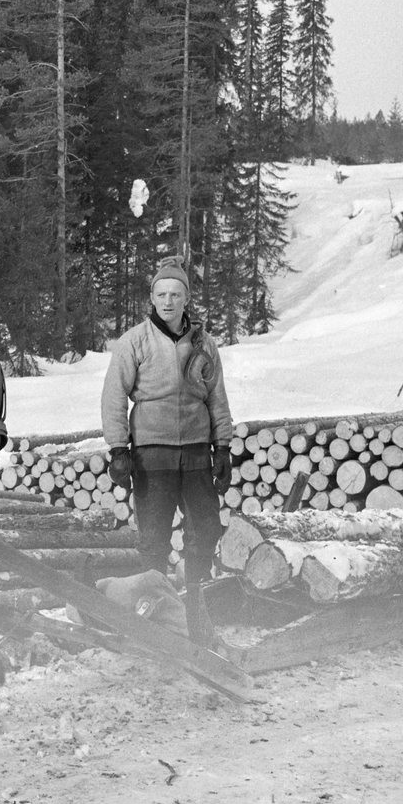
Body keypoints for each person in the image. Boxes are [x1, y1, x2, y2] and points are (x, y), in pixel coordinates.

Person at [100, 257, 234, 644]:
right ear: (152, 298)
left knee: (205, 529)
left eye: (176, 294)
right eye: (161, 294)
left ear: (187, 298)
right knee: (154, 539)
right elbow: (113, 397)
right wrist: (118, 448)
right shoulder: (134, 341)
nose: (168, 301)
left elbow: (217, 398)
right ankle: (154, 616)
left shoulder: (204, 344)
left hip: (195, 454)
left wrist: (222, 447)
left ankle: (195, 610)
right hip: (152, 455)